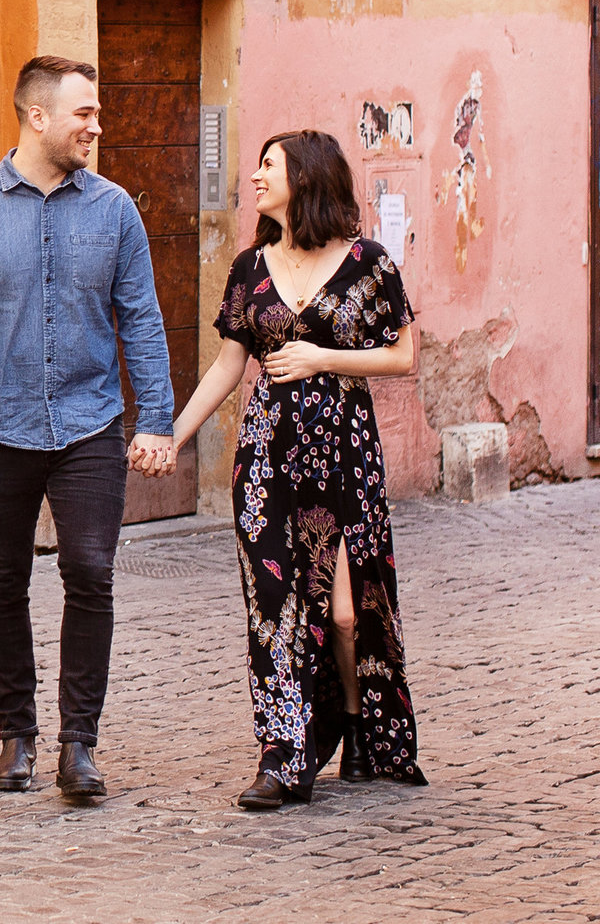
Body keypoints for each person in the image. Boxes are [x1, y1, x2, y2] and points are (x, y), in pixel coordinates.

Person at [0, 55, 175, 801]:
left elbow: (142, 319)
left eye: (97, 112)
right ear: (37, 117)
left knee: (90, 572)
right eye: (84, 112)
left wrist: (157, 418)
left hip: (90, 424)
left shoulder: (115, 210)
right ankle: (15, 738)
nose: (97, 124)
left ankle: (78, 745)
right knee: (4, 578)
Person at [165, 129, 428, 809]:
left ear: (305, 179)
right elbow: (229, 365)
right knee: (273, 612)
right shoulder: (250, 266)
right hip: (267, 464)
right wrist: (173, 437)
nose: (254, 177)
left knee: (345, 615)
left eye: (268, 166)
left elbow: (403, 357)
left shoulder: (369, 264)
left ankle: (349, 717)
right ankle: (282, 754)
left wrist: (322, 358)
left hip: (345, 462)